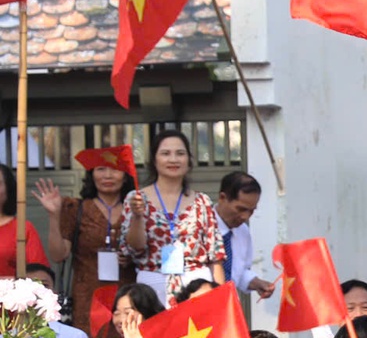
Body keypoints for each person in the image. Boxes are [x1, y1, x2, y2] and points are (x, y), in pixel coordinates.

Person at [34, 146, 137, 326]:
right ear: (91, 175)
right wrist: (53, 215)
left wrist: (131, 256)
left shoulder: (135, 209)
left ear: (126, 175)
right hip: (87, 297)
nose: (107, 175)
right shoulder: (76, 208)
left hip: (128, 295)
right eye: (101, 169)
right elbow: (59, 255)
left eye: (114, 169)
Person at [122, 129, 224, 303]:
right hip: (152, 284)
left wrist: (222, 298)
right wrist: (138, 216)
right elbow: (135, 248)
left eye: (180, 153)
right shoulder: (137, 198)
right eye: (165, 153)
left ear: (189, 160)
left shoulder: (202, 201)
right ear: (154, 160)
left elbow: (215, 257)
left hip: (196, 284)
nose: (173, 159)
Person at [216, 170, 276, 305]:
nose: (245, 217)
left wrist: (256, 283)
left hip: (228, 307)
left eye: (251, 210)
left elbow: (239, 271)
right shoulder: (198, 227)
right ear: (222, 198)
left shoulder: (243, 232)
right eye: (240, 209)